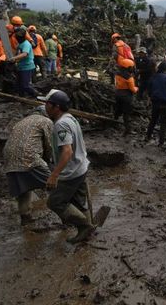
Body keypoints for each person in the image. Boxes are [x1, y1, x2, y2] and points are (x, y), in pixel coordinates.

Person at [40, 90, 95, 243]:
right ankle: (88, 229)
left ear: (56, 106)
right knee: (78, 201)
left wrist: (54, 175)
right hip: (81, 166)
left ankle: (85, 226)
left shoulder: (61, 124)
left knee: (55, 202)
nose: (45, 107)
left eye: (47, 104)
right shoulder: (70, 118)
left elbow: (67, 151)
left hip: (71, 171)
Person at [3, 105, 53, 225]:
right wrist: (51, 164)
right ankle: (72, 218)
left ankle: (25, 218)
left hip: (9, 161)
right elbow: (50, 146)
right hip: (29, 158)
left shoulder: (22, 121)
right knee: (57, 185)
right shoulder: (46, 121)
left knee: (23, 190)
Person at [145, 61, 166, 145]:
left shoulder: (154, 77)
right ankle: (161, 142)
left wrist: (148, 101)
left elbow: (149, 90)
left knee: (153, 120)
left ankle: (147, 137)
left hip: (155, 102)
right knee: (163, 123)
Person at [8, 28, 37, 98]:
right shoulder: (20, 45)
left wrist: (14, 58)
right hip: (21, 67)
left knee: (25, 86)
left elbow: (25, 54)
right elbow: (18, 55)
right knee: (19, 85)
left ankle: (36, 95)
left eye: (18, 37)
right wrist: (14, 60)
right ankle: (22, 98)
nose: (17, 38)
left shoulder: (26, 44)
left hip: (27, 67)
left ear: (23, 37)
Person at [114, 58, 138, 135]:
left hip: (118, 93)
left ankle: (114, 123)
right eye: (132, 67)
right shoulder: (129, 78)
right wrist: (137, 88)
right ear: (128, 67)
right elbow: (133, 89)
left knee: (117, 110)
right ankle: (128, 129)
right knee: (126, 113)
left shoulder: (117, 74)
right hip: (126, 95)